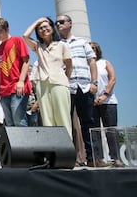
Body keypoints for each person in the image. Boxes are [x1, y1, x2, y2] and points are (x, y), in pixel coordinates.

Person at [55, 14, 100, 167]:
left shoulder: (82, 42)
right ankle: (71, 158)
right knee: (68, 124)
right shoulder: (56, 45)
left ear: (70, 23)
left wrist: (94, 83)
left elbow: (92, 62)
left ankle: (93, 158)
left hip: (85, 87)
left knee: (89, 122)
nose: (58, 25)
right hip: (67, 87)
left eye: (61, 22)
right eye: (57, 23)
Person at [23, 17, 73, 137]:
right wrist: (38, 21)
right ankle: (54, 150)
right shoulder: (38, 47)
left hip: (59, 84)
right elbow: (25, 36)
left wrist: (64, 79)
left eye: (46, 26)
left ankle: (67, 151)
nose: (43, 29)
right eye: (40, 28)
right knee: (47, 120)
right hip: (43, 85)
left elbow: (69, 65)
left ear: (52, 28)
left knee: (63, 117)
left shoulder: (62, 45)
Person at [0, 18, 31, 127]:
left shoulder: (17, 40)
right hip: (3, 91)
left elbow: (26, 61)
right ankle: (14, 145)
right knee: (9, 123)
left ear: (7, 29)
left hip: (17, 87)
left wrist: (21, 81)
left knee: (19, 120)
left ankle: (25, 144)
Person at [90, 41, 123, 168]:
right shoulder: (86, 66)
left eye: (93, 48)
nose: (91, 50)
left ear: (98, 50)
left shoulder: (105, 63)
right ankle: (98, 158)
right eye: (89, 48)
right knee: (95, 132)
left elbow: (113, 79)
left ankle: (116, 158)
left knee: (111, 130)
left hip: (108, 101)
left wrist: (105, 95)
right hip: (93, 103)